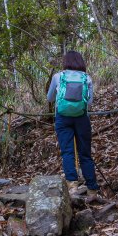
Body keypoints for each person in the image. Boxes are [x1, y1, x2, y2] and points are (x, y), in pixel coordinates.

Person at [47, 51, 99, 192]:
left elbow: (49, 98)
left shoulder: (58, 76)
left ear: (66, 62)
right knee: (85, 153)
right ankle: (92, 188)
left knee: (67, 152)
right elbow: (90, 102)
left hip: (62, 118)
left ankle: (72, 186)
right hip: (82, 117)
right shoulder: (86, 78)